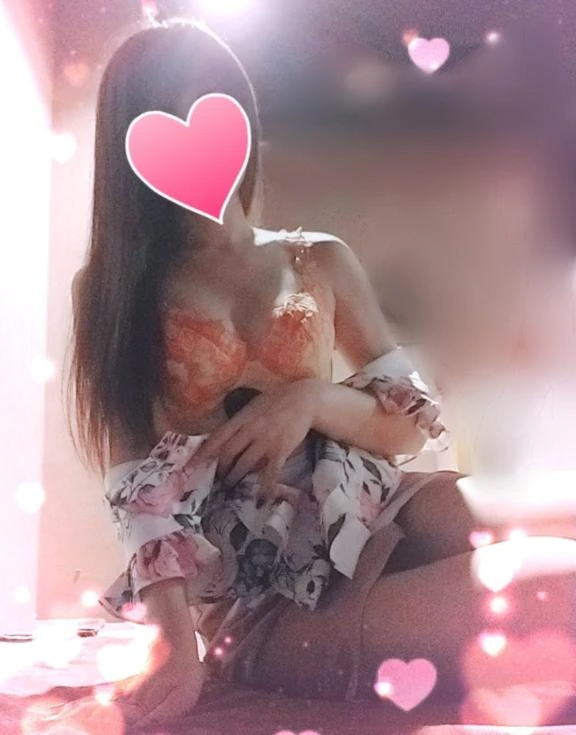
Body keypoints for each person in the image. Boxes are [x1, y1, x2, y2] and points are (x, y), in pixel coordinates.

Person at [68, 18, 576, 731]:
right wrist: (179, 647)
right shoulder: (116, 291)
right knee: (562, 593)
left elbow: (407, 428)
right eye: (166, 111)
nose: (196, 128)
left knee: (559, 530)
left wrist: (310, 400)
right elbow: (135, 486)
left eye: (212, 103)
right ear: (129, 143)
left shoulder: (319, 258)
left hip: (382, 504)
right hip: (277, 587)